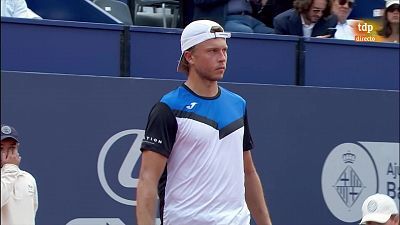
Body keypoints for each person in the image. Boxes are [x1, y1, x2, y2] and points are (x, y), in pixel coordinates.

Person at [136, 19, 272, 225]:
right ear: (189, 57)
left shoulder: (238, 104)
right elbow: (147, 180)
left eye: (224, 50)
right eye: (212, 51)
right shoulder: (168, 108)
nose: (222, 58)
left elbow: (248, 172)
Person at [1, 124, 39, 225]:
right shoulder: (11, 169)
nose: (7, 153)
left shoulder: (28, 178)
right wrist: (10, 168)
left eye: (12, 148)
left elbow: (30, 216)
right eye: (1, 148)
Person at [192, 0, 274, 34]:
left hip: (250, 19)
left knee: (273, 34)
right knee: (245, 32)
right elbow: (200, 1)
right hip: (227, 20)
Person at [273, 0, 338, 37]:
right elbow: (281, 50)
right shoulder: (283, 22)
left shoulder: (330, 20)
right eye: (316, 10)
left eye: (323, 11)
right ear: (305, 7)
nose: (319, 14)